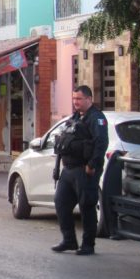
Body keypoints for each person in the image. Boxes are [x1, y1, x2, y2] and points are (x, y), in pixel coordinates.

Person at [52, 85, 109, 255]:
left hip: (84, 170)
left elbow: (101, 144)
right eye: (74, 99)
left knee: (87, 207)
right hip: (68, 170)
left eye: (79, 99)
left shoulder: (96, 118)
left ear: (89, 99)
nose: (75, 102)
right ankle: (69, 240)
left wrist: (92, 165)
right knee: (61, 203)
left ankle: (88, 245)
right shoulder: (75, 117)